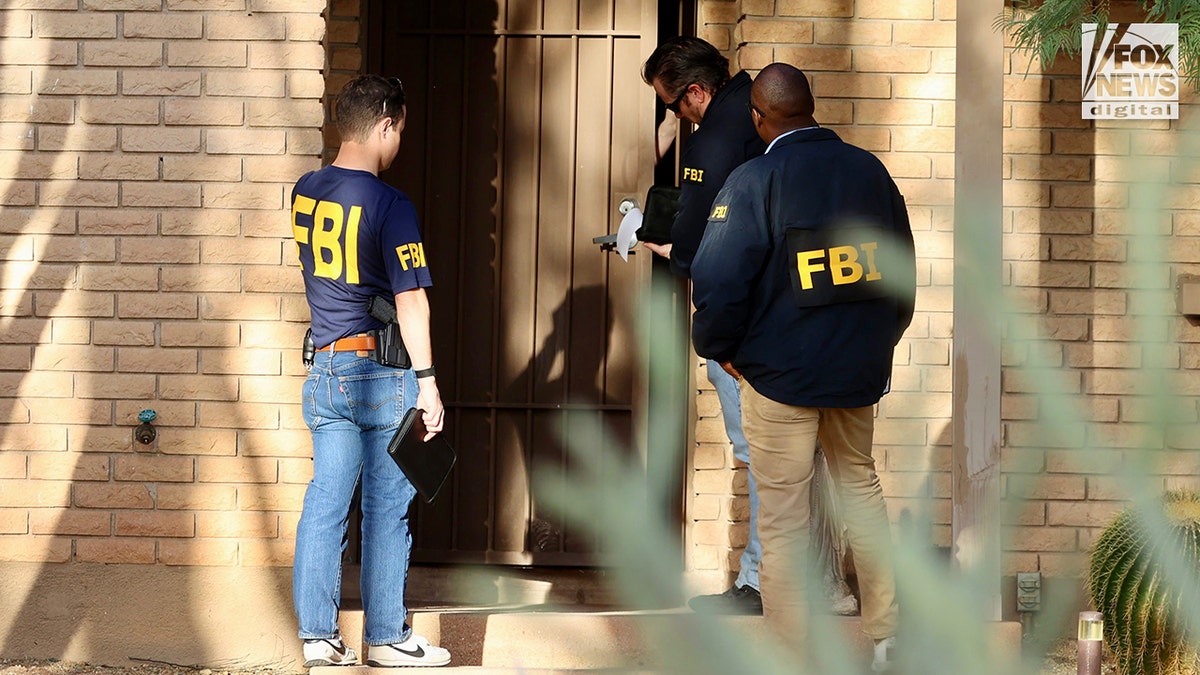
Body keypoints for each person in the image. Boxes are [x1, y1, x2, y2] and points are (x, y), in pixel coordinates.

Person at [689, 63, 915, 672]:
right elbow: (902, 279)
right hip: (853, 379)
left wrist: (720, 348)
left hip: (778, 381)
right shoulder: (871, 173)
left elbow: (716, 281)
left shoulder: (755, 179)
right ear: (810, 106)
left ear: (759, 118)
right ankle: (887, 638)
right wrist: (876, 350)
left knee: (786, 520)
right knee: (861, 496)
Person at [289, 75, 451, 668]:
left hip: (327, 366)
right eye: (401, 129)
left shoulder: (305, 191)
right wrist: (428, 383)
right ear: (386, 124)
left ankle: (317, 638)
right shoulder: (392, 204)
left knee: (325, 501)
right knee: (387, 508)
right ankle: (385, 637)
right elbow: (412, 301)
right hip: (382, 374)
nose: (400, 140)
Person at [640, 36, 768, 616]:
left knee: (763, 457)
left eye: (673, 105)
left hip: (744, 323)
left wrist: (658, 243)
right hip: (784, 311)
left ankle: (761, 584)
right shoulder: (758, 108)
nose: (675, 116)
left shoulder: (715, 136)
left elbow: (694, 240)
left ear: (695, 91)